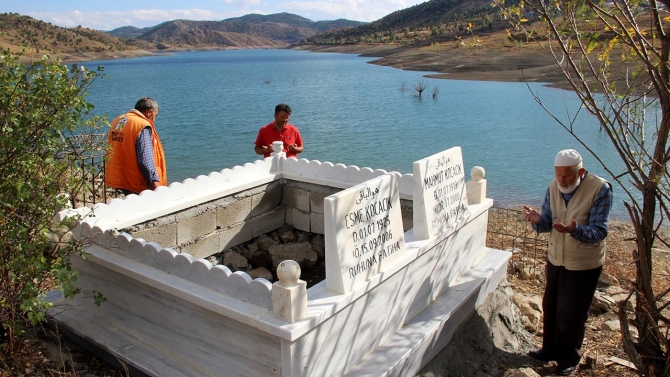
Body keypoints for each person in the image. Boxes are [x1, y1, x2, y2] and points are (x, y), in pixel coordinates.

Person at [522, 149, 612, 376]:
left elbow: (600, 231)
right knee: (551, 306)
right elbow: (546, 223)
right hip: (557, 258)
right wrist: (536, 220)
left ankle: (569, 359)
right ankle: (548, 350)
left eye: (567, 176)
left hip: (584, 263)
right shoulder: (553, 187)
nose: (562, 180)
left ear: (580, 172)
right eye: (558, 175)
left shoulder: (600, 189)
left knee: (571, 312)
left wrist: (575, 230)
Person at [105, 97, 167, 196]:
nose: (154, 119)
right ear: (149, 112)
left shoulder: (117, 121)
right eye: (156, 114)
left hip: (119, 178)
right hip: (137, 183)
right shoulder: (142, 125)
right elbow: (145, 160)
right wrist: (156, 186)